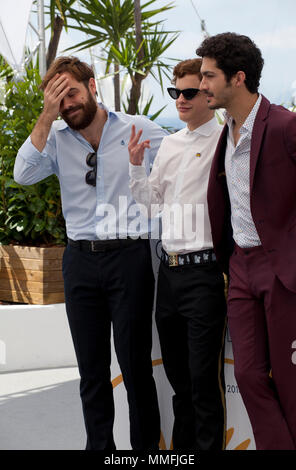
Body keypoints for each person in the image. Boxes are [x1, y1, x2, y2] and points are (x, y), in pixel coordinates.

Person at [14, 56, 168, 450]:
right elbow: (22, 174)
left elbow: (181, 167)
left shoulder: (140, 128)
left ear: (92, 86)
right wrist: (45, 118)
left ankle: (146, 452)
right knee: (91, 371)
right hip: (80, 262)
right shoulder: (56, 139)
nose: (67, 104)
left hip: (129, 259)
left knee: (135, 367)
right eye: (57, 99)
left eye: (71, 93)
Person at [197, 32, 296, 450]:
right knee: (248, 375)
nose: (202, 85)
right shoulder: (226, 133)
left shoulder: (286, 126)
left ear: (237, 78)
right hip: (240, 267)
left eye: (208, 76)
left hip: (284, 270)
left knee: (293, 384)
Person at [128, 58, 227, 450]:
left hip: (206, 274)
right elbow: (151, 205)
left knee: (204, 385)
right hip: (168, 276)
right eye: (175, 92)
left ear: (207, 94)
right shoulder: (168, 143)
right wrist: (136, 167)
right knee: (180, 384)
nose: (180, 100)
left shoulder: (226, 139)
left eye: (189, 92)